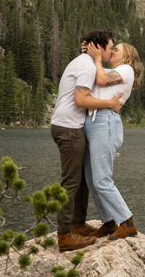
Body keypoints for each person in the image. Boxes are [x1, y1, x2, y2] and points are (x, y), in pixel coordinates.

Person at [50, 29, 123, 252]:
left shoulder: (87, 63)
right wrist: (110, 105)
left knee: (81, 180)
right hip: (68, 128)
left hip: (72, 127)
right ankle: (64, 236)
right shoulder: (86, 66)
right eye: (110, 47)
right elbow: (81, 99)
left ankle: (77, 225)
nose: (112, 51)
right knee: (71, 182)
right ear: (99, 47)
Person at [84, 41, 143, 240]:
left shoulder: (126, 69)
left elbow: (100, 80)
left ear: (127, 56)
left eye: (116, 49)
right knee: (92, 179)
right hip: (95, 121)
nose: (112, 50)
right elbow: (95, 75)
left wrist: (98, 58)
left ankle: (126, 221)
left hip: (105, 122)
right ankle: (109, 222)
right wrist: (90, 53)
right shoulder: (113, 70)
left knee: (101, 179)